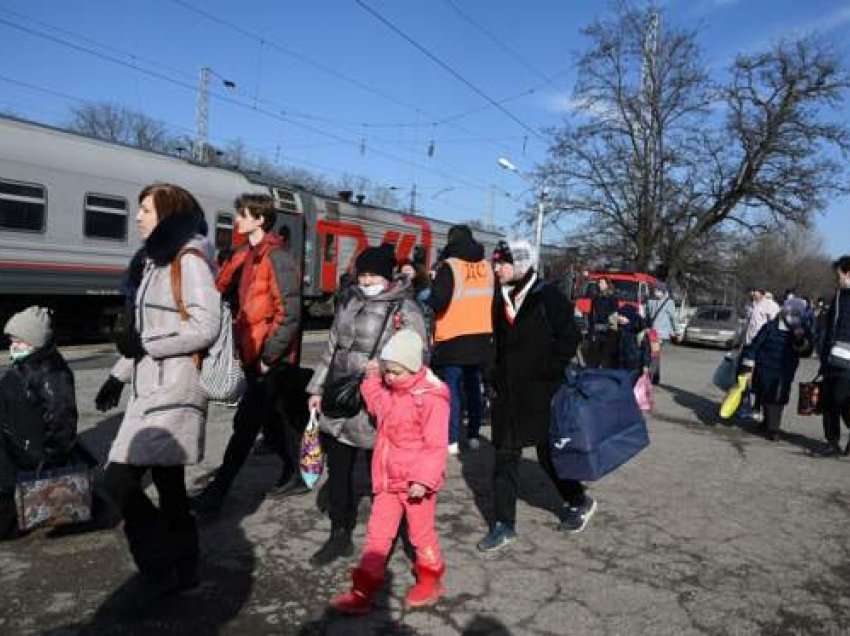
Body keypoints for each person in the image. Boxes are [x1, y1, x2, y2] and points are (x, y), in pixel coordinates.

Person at [95, 183, 220, 593]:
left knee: (114, 483)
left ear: (167, 213)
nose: (137, 217)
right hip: (150, 386)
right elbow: (148, 331)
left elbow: (205, 327)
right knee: (170, 490)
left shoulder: (190, 260)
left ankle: (159, 559)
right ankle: (184, 569)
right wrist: (119, 373)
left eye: (145, 209)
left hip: (173, 391)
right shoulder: (155, 261)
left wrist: (143, 346)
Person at [307, 246, 426, 566]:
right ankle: (339, 533)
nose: (366, 280)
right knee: (339, 469)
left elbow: (418, 354)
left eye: (372, 274)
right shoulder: (349, 299)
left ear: (388, 276)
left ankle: (401, 536)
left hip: (381, 402)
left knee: (387, 475)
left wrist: (384, 370)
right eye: (362, 274)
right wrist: (317, 388)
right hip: (341, 397)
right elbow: (332, 347)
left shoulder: (405, 307)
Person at [477, 240, 593, 553]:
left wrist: (549, 371)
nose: (495, 269)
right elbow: (498, 342)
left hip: (542, 392)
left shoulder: (548, 296)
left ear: (520, 263)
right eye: (495, 263)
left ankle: (577, 500)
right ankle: (504, 525)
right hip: (507, 391)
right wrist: (492, 374)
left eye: (501, 263)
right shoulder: (499, 297)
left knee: (548, 454)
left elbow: (570, 338)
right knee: (504, 456)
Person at [191, 194, 303, 512]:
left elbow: (290, 313)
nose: (237, 220)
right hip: (251, 352)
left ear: (259, 220)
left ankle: (217, 494)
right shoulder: (246, 255)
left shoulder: (277, 258)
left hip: (269, 358)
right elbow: (221, 289)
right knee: (272, 421)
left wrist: (269, 357)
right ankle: (297, 470)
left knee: (246, 426)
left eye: (242, 215)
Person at [330, 329, 449, 613]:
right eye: (387, 371)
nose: (390, 377)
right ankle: (364, 588)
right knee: (377, 534)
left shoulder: (431, 399)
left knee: (420, 534)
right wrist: (372, 378)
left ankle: (431, 578)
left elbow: (435, 446)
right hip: (386, 480)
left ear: (413, 367)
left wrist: (423, 479)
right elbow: (375, 400)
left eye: (396, 372)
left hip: (415, 484)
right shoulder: (390, 392)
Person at [0, 307, 78, 539]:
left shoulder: (50, 373)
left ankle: (11, 522)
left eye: (20, 341)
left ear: (36, 341)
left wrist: (53, 455)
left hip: (28, 447)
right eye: (12, 340)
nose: (14, 346)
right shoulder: (30, 363)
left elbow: (61, 417)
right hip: (15, 437)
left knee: (6, 483)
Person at [427, 225, 494, 455]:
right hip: (481, 337)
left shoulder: (450, 266)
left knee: (452, 390)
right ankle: (474, 434)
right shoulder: (487, 267)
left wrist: (431, 288)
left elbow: (439, 302)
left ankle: (452, 439)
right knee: (474, 387)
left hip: (453, 338)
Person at [742, 298, 813, 440]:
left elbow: (806, 352)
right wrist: (748, 363)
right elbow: (755, 345)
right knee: (766, 394)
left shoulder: (801, 330)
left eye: (796, 314)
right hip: (765, 367)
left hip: (785, 370)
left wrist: (800, 339)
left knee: (778, 397)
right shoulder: (770, 327)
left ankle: (773, 429)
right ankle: (768, 424)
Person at [819, 256, 850, 455]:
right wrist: (823, 357)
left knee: (843, 400)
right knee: (829, 401)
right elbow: (829, 328)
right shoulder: (838, 297)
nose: (836, 278)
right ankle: (832, 442)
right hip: (833, 357)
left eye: (838, 274)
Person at [646, 285, 678, 384]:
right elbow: (648, 316)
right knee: (655, 355)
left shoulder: (669, 303)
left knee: (654, 355)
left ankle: (650, 377)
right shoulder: (650, 301)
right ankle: (655, 378)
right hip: (652, 332)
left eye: (658, 290)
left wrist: (676, 331)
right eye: (655, 290)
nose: (656, 292)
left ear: (663, 292)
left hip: (662, 334)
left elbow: (673, 318)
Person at [586, 277, 619, 368]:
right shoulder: (596, 298)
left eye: (601, 283)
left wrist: (612, 328)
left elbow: (614, 314)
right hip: (597, 326)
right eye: (599, 283)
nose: (599, 284)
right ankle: (595, 366)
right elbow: (592, 313)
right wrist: (591, 326)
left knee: (606, 350)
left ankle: (603, 367)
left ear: (607, 285)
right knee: (596, 349)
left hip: (607, 327)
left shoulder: (612, 298)